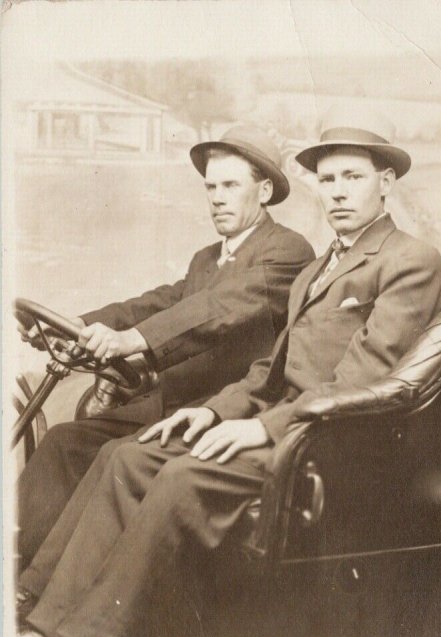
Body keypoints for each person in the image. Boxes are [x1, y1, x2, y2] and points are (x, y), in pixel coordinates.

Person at [17, 106, 441, 637]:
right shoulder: (320, 269)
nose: (338, 192)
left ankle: (88, 632)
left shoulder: (410, 260)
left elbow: (364, 381)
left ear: (385, 184)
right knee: (128, 456)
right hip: (283, 422)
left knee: (179, 475)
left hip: (333, 436)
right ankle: (42, 612)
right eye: (328, 179)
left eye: (353, 177)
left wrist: (261, 428)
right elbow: (272, 369)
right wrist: (214, 410)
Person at [17, 125, 315, 564]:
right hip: (168, 403)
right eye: (210, 187)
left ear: (265, 191)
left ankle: (50, 581)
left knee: (116, 455)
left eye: (231, 185)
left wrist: (130, 341)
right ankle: (21, 569)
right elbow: (159, 301)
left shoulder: (287, 251)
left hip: (220, 411)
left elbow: (216, 309)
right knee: (64, 441)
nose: (216, 197)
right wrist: (78, 325)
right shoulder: (208, 258)